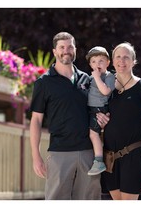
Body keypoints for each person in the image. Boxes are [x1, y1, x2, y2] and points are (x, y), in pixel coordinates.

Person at [29, 32, 103, 200]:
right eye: (62, 47)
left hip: (88, 152)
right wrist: (36, 156)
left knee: (90, 201)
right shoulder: (44, 83)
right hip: (59, 153)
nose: (66, 51)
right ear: (55, 51)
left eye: (70, 47)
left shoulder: (88, 79)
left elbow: (97, 109)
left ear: (75, 50)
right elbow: (36, 120)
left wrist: (102, 117)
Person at [100, 42, 141, 200]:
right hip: (109, 158)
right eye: (118, 57)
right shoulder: (105, 87)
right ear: (112, 61)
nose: (122, 61)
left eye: (126, 57)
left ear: (133, 61)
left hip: (134, 155)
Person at [85, 46, 115, 176]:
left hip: (100, 110)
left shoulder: (108, 76)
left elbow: (106, 91)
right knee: (92, 133)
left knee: (93, 134)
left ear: (108, 63)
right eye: (94, 61)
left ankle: (98, 160)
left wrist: (97, 77)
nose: (97, 65)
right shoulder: (91, 78)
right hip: (92, 109)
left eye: (101, 61)